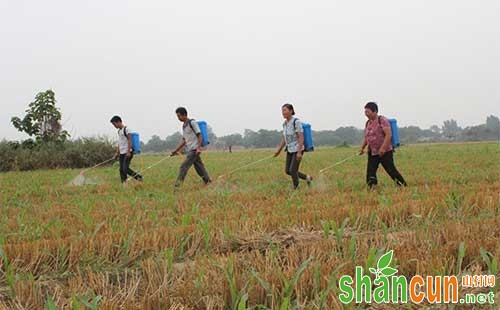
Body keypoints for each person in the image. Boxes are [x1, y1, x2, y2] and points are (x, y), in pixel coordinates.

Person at [359, 102, 407, 188]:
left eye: (368, 112)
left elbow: (388, 135)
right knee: (370, 171)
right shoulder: (368, 123)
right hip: (373, 152)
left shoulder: (382, 120)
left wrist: (383, 148)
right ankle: (372, 187)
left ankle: (402, 185)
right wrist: (362, 148)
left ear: (375, 111)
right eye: (365, 112)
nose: (366, 114)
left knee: (390, 170)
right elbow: (367, 137)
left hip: (385, 152)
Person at [274, 103, 313, 189]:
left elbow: (301, 137)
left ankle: (296, 187)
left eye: (285, 110)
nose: (283, 112)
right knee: (288, 171)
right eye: (282, 111)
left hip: (297, 149)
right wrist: (279, 150)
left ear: (291, 111)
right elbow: (285, 138)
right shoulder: (284, 124)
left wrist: (299, 152)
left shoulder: (296, 122)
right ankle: (307, 178)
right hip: (290, 149)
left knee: (293, 170)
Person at [170, 107, 212, 188]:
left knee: (183, 166)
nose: (178, 118)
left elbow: (199, 135)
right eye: (177, 116)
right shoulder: (184, 126)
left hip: (194, 149)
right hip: (190, 149)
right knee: (199, 167)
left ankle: (177, 186)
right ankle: (207, 181)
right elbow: (184, 140)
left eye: (179, 116)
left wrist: (199, 148)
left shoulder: (192, 123)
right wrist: (176, 151)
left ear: (184, 114)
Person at [110, 115, 143, 183]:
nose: (114, 126)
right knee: (121, 170)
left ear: (119, 121)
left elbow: (130, 140)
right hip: (122, 153)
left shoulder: (127, 129)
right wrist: (117, 152)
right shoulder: (119, 131)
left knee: (125, 169)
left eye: (114, 124)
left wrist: (128, 151)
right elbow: (120, 142)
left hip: (128, 152)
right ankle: (124, 183)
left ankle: (139, 177)